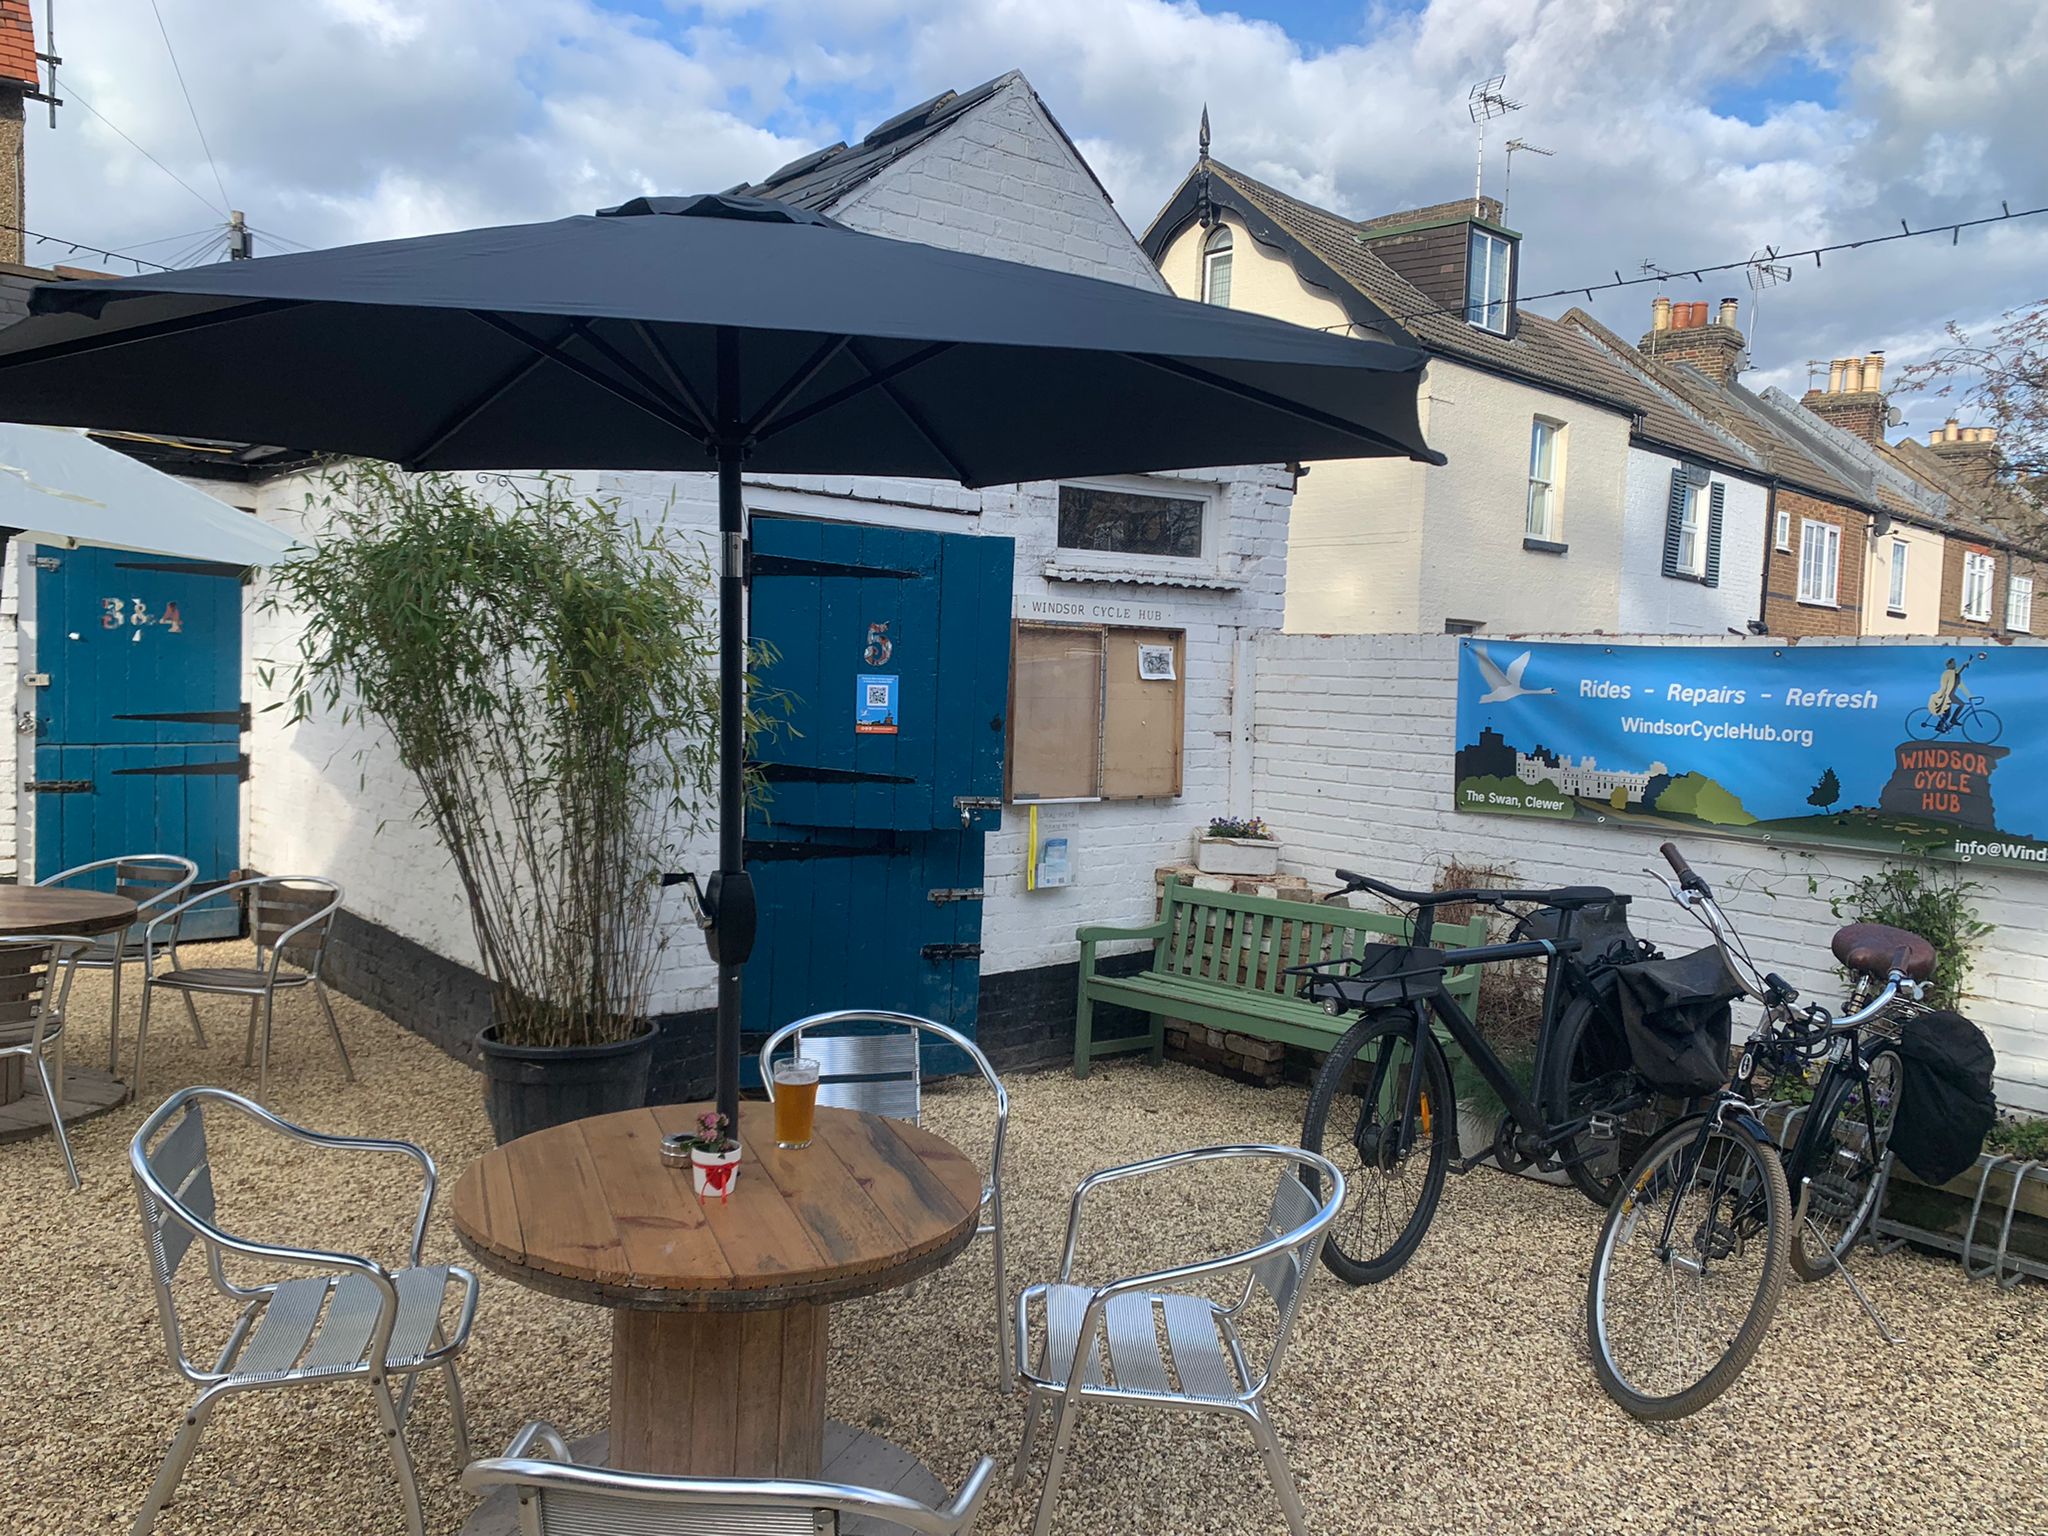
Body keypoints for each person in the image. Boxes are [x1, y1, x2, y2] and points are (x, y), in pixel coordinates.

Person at [1928, 656, 1968, 731]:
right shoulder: (1948, 672)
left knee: (1948, 713)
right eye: (1953, 663)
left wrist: (1968, 695)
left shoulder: (1954, 674)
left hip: (1949, 695)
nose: (1955, 665)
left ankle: (1943, 724)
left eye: (1955, 663)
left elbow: (1958, 678)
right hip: (1947, 695)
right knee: (1960, 705)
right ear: (1949, 665)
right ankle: (1951, 721)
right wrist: (1963, 666)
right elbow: (1957, 672)